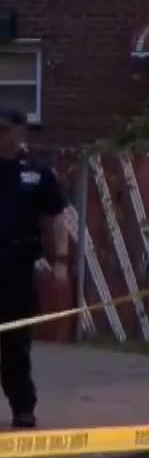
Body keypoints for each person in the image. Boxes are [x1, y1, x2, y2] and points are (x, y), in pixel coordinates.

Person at [0, 107, 72, 429]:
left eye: (4, 131)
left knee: (15, 345)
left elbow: (56, 216)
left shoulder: (36, 174)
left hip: (16, 268)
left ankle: (22, 408)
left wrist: (60, 261)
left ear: (19, 133)